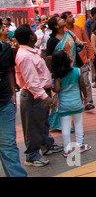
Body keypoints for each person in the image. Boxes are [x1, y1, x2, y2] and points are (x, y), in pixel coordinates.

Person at [14, 24, 63, 167]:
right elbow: (32, 82)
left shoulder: (30, 52)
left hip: (39, 94)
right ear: (31, 37)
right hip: (34, 96)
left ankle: (46, 145)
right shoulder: (25, 56)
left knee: (42, 122)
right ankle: (32, 155)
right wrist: (45, 96)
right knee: (33, 126)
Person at [46, 16, 87, 130]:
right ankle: (59, 123)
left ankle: (74, 121)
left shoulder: (69, 34)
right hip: (60, 71)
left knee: (74, 92)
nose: (62, 20)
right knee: (59, 95)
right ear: (55, 25)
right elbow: (48, 56)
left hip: (72, 69)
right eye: (59, 19)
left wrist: (82, 45)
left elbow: (78, 45)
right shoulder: (52, 40)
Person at [51, 50, 91, 158]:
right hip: (76, 102)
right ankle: (80, 145)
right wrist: (86, 97)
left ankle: (67, 150)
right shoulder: (77, 71)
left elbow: (57, 89)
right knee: (78, 124)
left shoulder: (58, 75)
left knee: (65, 127)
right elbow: (82, 85)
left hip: (64, 104)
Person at [0, 35, 27, 176]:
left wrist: (12, 94)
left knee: (8, 144)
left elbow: (9, 72)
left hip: (4, 102)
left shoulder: (5, 48)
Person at [61, 11, 96, 110]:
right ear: (64, 20)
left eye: (72, 16)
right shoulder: (62, 31)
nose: (73, 18)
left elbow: (87, 42)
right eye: (70, 16)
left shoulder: (79, 29)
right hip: (69, 63)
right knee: (75, 83)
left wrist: (91, 55)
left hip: (82, 60)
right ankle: (79, 101)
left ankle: (88, 102)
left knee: (85, 82)